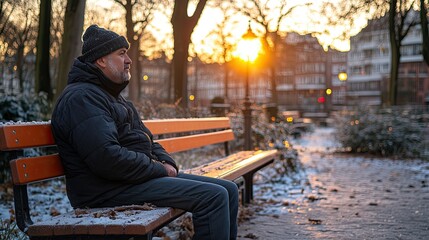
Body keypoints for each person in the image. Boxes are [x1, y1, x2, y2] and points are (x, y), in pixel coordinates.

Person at [51, 25, 239, 240]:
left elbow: (149, 141)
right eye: (121, 54)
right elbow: (107, 158)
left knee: (228, 189)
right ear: (101, 60)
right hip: (104, 191)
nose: (129, 60)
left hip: (131, 180)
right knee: (213, 197)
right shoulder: (82, 98)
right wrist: (159, 169)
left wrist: (168, 165)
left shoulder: (112, 97)